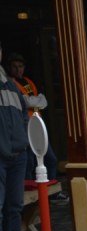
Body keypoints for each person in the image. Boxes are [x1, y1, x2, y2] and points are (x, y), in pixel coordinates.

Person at [1, 40, 41, 231]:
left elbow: (24, 114)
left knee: (14, 206)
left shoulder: (10, 84)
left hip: (17, 154)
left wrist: (24, 140)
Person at [5, 53, 66, 201]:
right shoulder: (10, 83)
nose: (18, 69)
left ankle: (51, 192)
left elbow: (42, 101)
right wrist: (35, 101)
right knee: (29, 162)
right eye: (14, 66)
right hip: (25, 125)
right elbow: (27, 102)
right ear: (9, 68)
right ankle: (31, 194)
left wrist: (34, 101)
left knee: (50, 159)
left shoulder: (28, 82)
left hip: (37, 123)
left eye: (20, 66)